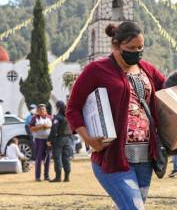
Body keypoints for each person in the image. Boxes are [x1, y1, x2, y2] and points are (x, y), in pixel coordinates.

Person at [66, 22, 166, 210]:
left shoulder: (147, 69)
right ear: (115, 45)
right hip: (113, 159)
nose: (137, 52)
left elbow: (167, 91)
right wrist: (87, 138)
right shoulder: (96, 70)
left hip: (145, 159)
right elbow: (73, 108)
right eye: (131, 48)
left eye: (140, 48)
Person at [47, 100, 73, 182]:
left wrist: (49, 140)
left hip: (59, 139)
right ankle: (67, 177)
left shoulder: (57, 117)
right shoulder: (67, 116)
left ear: (57, 107)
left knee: (57, 158)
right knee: (66, 158)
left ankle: (58, 177)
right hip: (67, 139)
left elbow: (54, 130)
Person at [29, 104, 52, 181]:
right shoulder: (35, 118)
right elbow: (31, 129)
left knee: (48, 158)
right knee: (38, 158)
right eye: (40, 109)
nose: (42, 111)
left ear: (46, 110)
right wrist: (41, 126)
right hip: (38, 140)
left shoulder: (50, 117)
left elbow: (53, 127)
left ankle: (46, 175)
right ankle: (37, 176)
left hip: (48, 140)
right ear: (38, 111)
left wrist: (48, 127)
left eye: (43, 109)